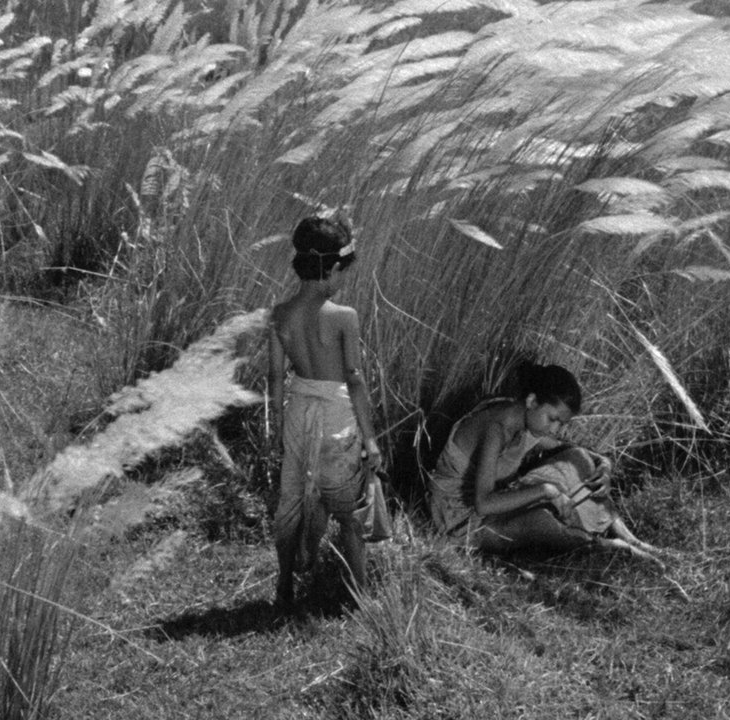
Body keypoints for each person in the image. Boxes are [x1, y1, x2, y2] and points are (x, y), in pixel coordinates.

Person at [428, 362, 663, 563]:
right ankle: (606, 545)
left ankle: (630, 538)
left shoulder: (526, 422)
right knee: (541, 521)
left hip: (492, 503)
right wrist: (547, 491)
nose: (555, 429)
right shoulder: (496, 429)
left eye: (561, 424)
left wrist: (604, 464)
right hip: (460, 519)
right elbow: (483, 504)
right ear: (532, 401)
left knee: (578, 458)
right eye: (553, 420)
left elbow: (571, 450)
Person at [267, 215, 382, 611]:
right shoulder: (344, 317)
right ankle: (361, 595)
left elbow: (274, 377)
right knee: (349, 512)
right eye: (341, 274)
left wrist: (279, 428)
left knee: (293, 501)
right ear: (332, 268)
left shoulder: (280, 314)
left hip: (298, 412)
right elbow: (354, 379)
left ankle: (284, 585)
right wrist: (369, 438)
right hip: (337, 419)